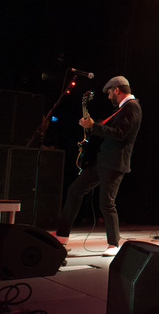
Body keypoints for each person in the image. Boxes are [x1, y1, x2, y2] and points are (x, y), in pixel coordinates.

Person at [52, 76, 142, 256]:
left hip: (115, 164)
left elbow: (120, 134)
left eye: (109, 93)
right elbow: (110, 131)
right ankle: (62, 235)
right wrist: (93, 126)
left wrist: (94, 126)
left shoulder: (132, 108)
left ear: (116, 90)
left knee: (106, 203)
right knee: (75, 190)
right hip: (102, 162)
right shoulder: (123, 109)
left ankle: (114, 244)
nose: (109, 97)